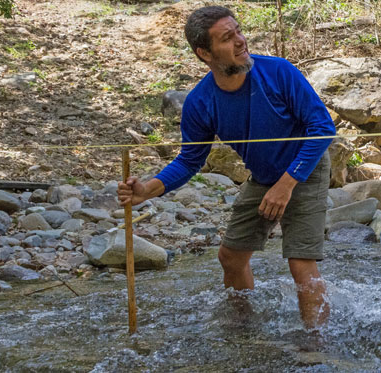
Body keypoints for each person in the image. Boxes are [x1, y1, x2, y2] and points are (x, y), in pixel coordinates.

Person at [117, 6, 336, 329]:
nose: (240, 41)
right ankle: (244, 329)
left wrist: (286, 185)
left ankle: (315, 346)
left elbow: (322, 128)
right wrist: (146, 190)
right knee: (230, 257)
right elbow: (190, 160)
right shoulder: (200, 102)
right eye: (227, 38)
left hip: (305, 165)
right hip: (263, 177)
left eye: (238, 31)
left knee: (300, 262)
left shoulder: (279, 72)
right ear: (204, 53)